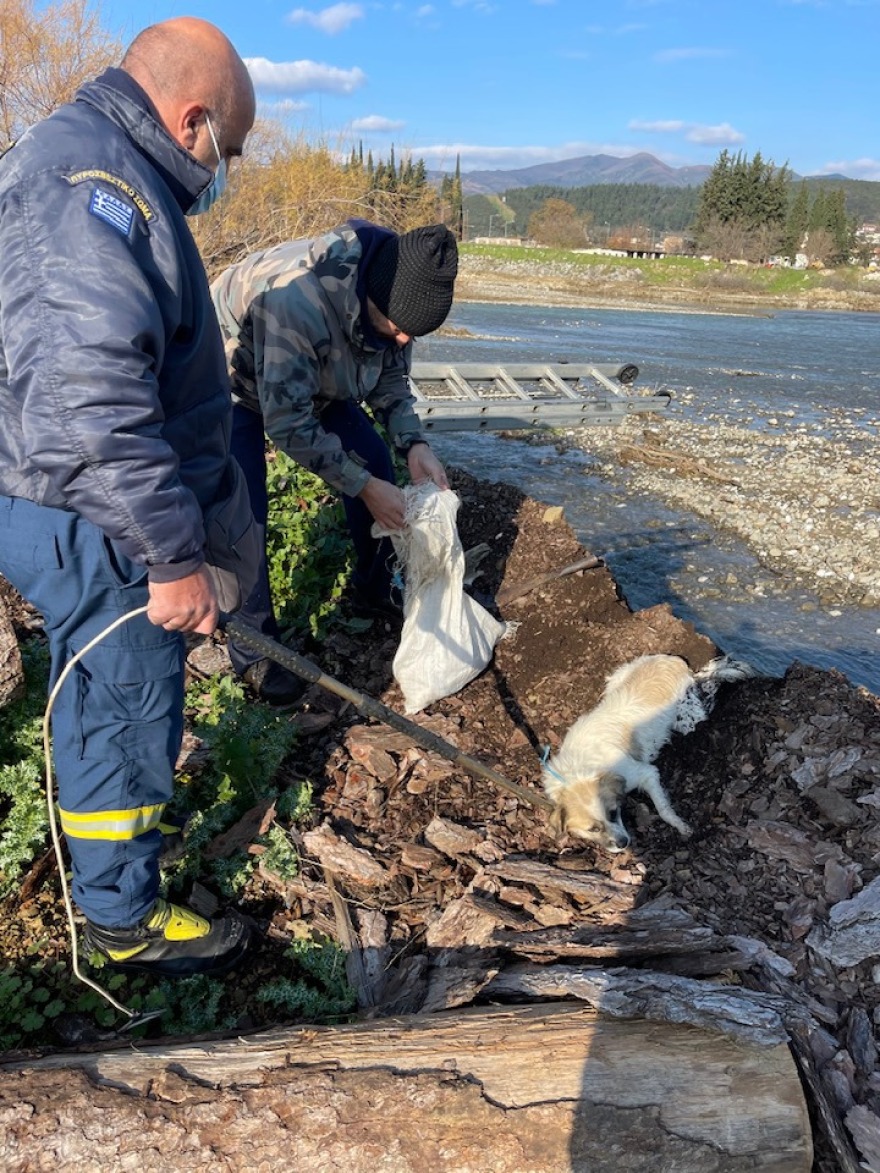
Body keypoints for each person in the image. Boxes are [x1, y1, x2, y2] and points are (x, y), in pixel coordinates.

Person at [0, 18, 258, 977]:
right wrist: (173, 556)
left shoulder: (91, 162)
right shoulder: (94, 189)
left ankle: (108, 879)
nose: (224, 168)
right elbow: (88, 400)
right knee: (128, 698)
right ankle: (119, 923)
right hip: (95, 515)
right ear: (191, 119)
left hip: (72, 501)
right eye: (227, 149)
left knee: (105, 683)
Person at [210, 219, 459, 705]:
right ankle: (255, 647)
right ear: (370, 297)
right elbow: (287, 423)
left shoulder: (398, 295)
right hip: (228, 376)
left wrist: (413, 444)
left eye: (414, 334)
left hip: (317, 370)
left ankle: (375, 583)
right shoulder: (295, 300)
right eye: (398, 328)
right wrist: (362, 487)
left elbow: (390, 377)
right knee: (241, 511)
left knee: (373, 457)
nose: (406, 340)